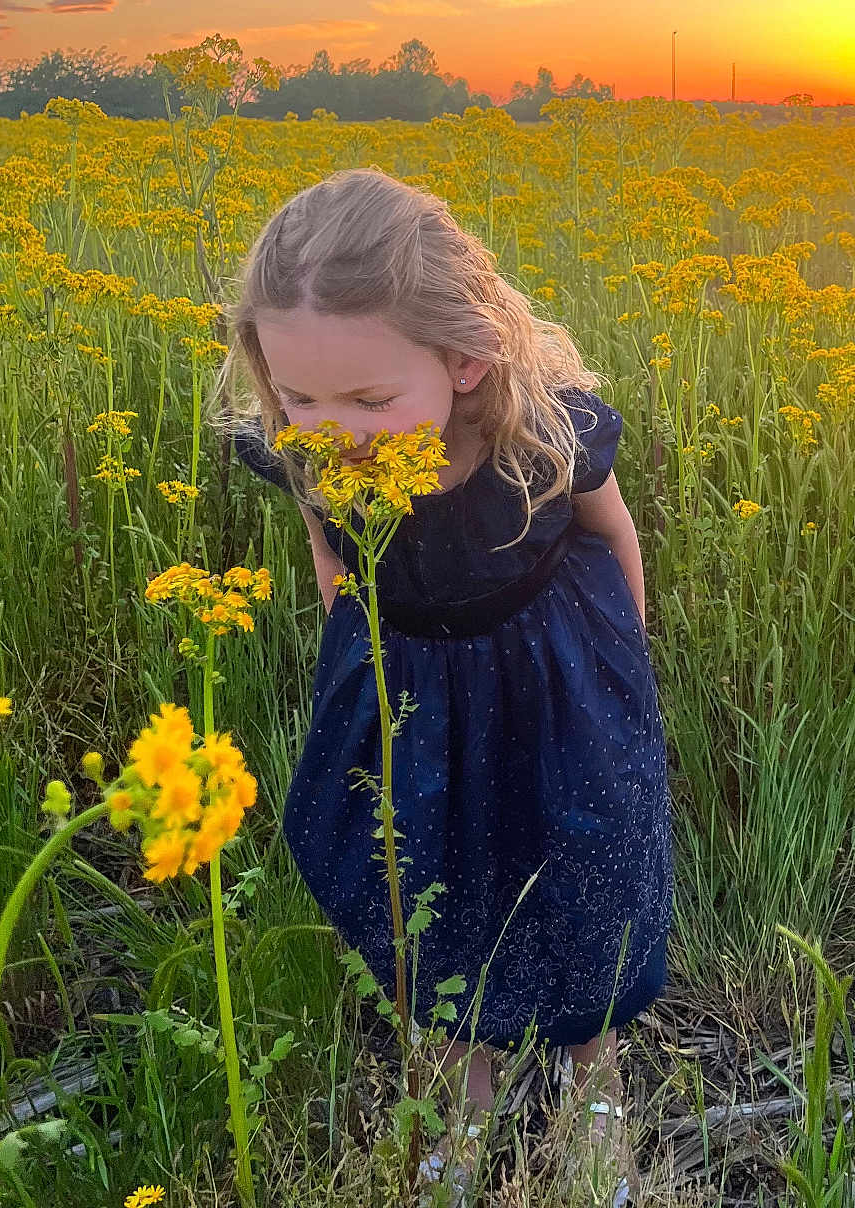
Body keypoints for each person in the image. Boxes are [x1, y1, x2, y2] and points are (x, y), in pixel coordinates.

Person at [211, 166, 673, 1204]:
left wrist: (624, 670)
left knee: (583, 868)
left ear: (465, 361)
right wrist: (344, 617)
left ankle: (594, 1079)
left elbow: (610, 528)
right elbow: (324, 540)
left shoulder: (536, 433)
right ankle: (458, 1084)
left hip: (552, 680)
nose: (330, 428)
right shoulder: (315, 449)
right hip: (410, 685)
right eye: (299, 396)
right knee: (419, 871)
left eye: (369, 399)